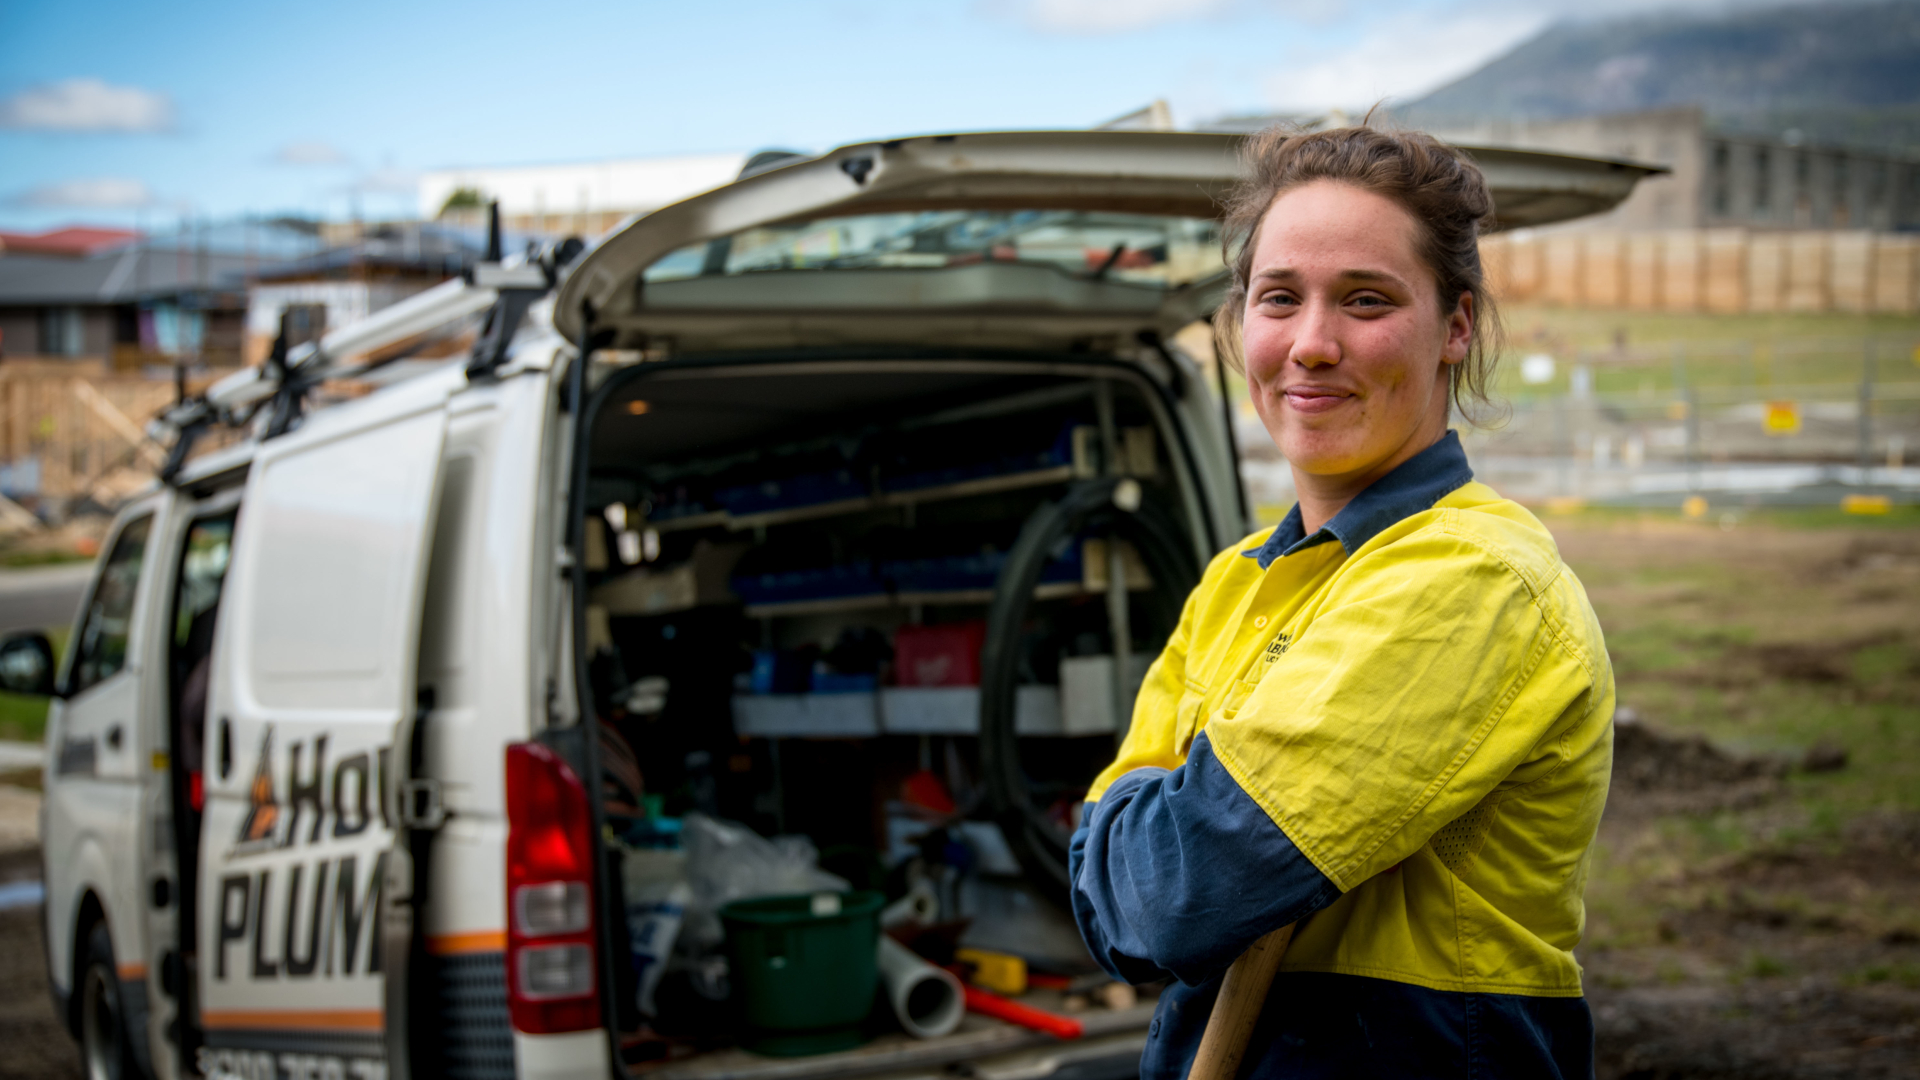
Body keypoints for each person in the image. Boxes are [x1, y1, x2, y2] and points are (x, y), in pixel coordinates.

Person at [1069, 123, 1614, 1078]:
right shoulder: (1237, 579)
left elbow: (1169, 902)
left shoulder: (1472, 575)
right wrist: (1155, 835)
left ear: (1455, 327)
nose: (1312, 345)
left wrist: (1158, 818)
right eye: (1279, 298)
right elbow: (1106, 893)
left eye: (1366, 300)